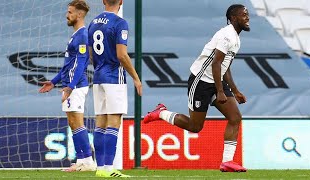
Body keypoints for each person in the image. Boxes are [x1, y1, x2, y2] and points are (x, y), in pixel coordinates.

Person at [143, 4, 250, 172]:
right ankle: (161, 112)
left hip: (217, 80)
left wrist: (235, 91)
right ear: (234, 18)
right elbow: (215, 63)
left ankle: (227, 162)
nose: (247, 18)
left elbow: (225, 66)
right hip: (201, 81)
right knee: (195, 126)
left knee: (235, 117)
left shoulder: (236, 38)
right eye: (244, 15)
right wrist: (220, 91)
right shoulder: (227, 36)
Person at [39, 0, 96, 172]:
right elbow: (68, 65)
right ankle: (82, 160)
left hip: (76, 86)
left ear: (79, 15)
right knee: (73, 123)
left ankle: (87, 161)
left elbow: (80, 64)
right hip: (71, 85)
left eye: (70, 12)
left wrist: (70, 86)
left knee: (77, 123)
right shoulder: (76, 34)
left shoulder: (83, 35)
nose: (67, 15)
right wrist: (54, 81)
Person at [88, 0, 142, 177]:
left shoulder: (93, 22)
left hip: (98, 76)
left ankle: (100, 168)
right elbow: (122, 55)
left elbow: (90, 56)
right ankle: (109, 168)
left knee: (100, 123)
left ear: (103, 1)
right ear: (121, 2)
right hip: (114, 76)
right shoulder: (120, 23)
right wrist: (136, 77)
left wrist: (100, 66)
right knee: (114, 122)